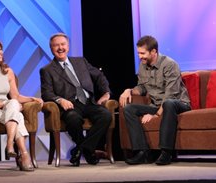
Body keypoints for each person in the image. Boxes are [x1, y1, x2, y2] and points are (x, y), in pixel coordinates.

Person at [40, 32, 112, 166]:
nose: (60, 48)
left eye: (63, 44)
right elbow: (46, 93)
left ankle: (82, 149)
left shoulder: (80, 61)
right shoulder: (47, 70)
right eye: (56, 45)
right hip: (70, 105)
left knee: (106, 115)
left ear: (68, 46)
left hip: (89, 102)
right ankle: (88, 151)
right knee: (73, 119)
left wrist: (106, 93)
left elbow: (99, 76)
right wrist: (60, 100)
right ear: (51, 49)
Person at [119, 35, 191, 165]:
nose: (140, 56)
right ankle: (143, 152)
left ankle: (166, 153)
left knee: (168, 103)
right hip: (157, 105)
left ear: (153, 51)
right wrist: (128, 90)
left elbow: (171, 94)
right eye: (138, 53)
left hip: (179, 104)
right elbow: (142, 88)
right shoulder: (142, 66)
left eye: (143, 53)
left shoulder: (169, 64)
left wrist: (155, 114)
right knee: (129, 108)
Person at [0, 37, 43, 171]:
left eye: (1, 49)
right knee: (17, 114)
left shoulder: (8, 72)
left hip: (6, 108)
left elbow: (16, 96)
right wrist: (8, 104)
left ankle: (12, 146)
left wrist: (32, 99)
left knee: (14, 107)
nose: (0, 52)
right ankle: (22, 153)